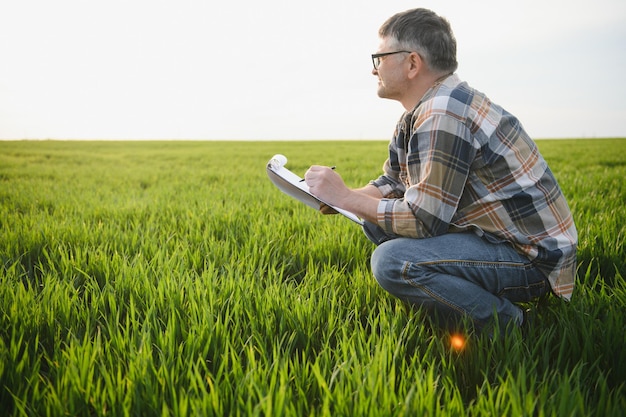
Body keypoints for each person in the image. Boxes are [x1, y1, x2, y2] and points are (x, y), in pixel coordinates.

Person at [304, 8, 577, 335]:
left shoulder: (444, 112)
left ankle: (514, 326)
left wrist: (347, 197)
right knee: (375, 226)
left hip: (531, 259)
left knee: (391, 261)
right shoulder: (423, 109)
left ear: (412, 64)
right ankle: (461, 299)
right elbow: (394, 181)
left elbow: (423, 220)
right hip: (497, 240)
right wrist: (338, 198)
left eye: (379, 57)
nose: (373, 69)